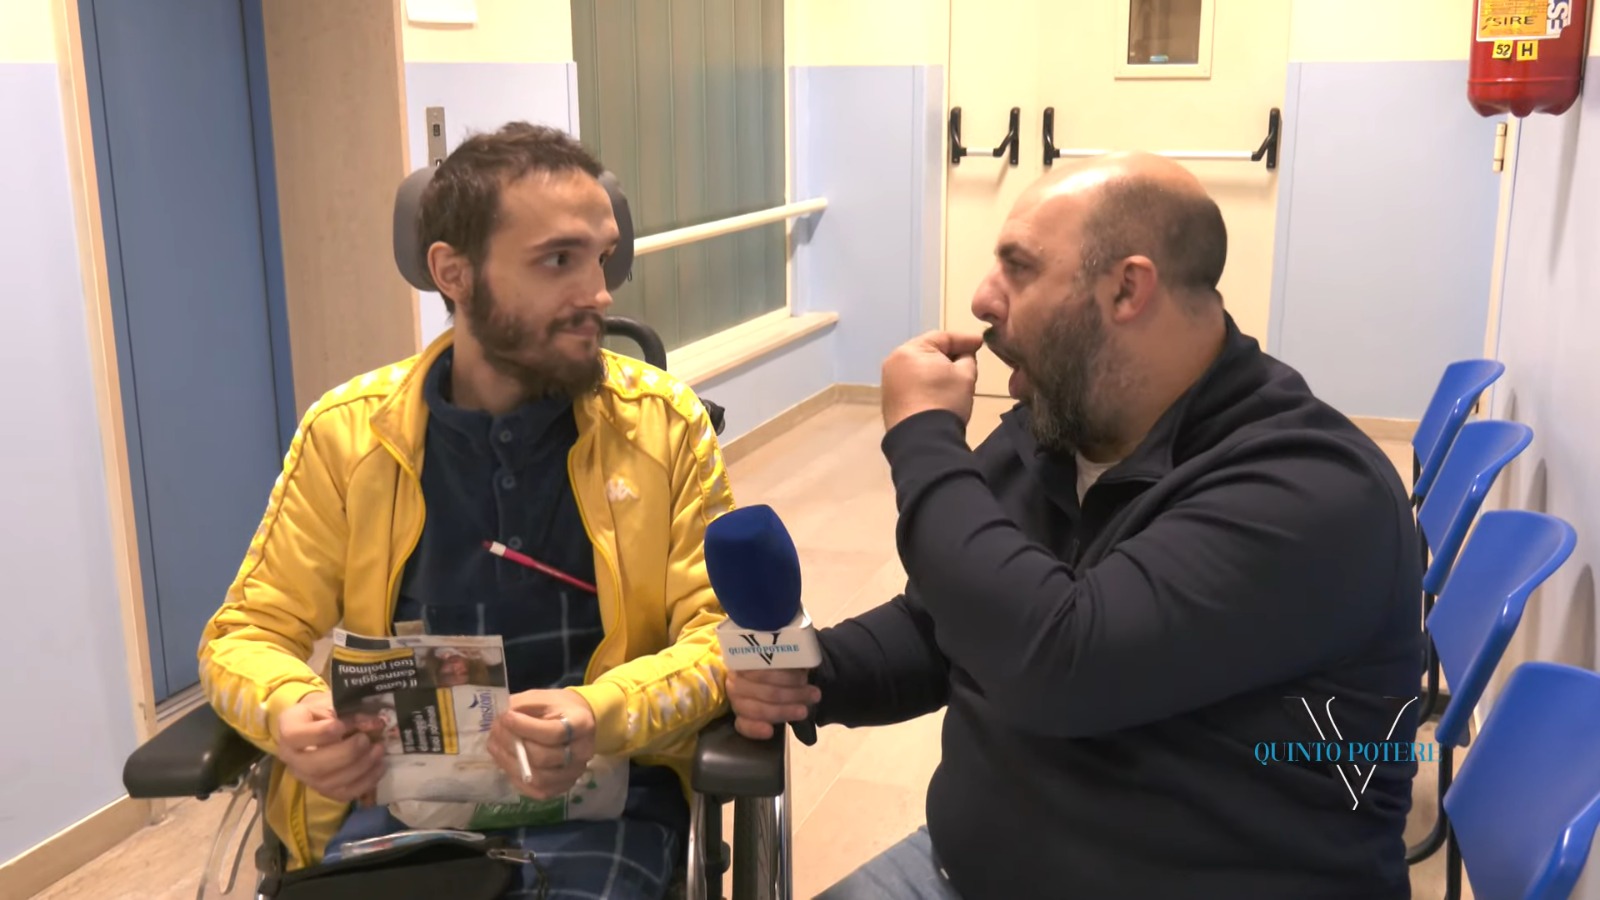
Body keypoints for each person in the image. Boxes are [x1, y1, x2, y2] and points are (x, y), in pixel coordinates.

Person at [728, 153, 1424, 899]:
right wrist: (809, 670)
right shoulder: (1054, 432)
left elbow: (1058, 662)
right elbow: (944, 625)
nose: (982, 298)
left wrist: (924, 436)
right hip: (964, 869)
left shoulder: (1315, 490)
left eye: (1019, 268)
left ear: (1127, 288)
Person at [198, 122, 734, 899]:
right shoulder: (348, 436)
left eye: (603, 257)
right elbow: (243, 634)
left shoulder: (664, 427)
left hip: (605, 803)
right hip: (399, 813)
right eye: (559, 260)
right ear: (454, 272)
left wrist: (599, 711)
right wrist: (292, 709)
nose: (599, 292)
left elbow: (725, 639)